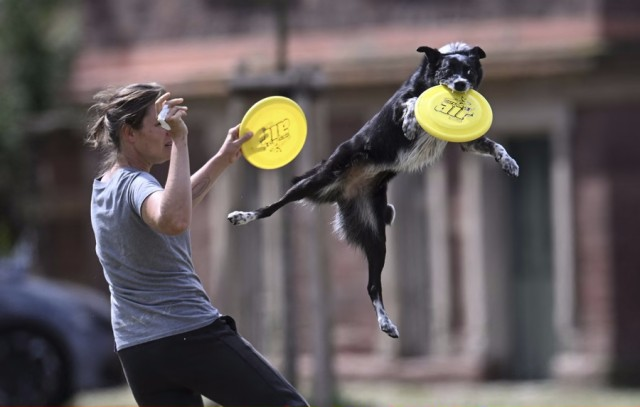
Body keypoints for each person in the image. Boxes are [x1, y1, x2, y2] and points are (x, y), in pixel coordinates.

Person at [86, 83, 308, 407]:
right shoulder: (138, 183)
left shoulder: (103, 187)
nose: (167, 130)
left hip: (137, 351)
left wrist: (222, 158)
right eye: (160, 123)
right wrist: (181, 140)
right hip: (187, 335)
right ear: (129, 133)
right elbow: (173, 219)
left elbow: (169, 207)